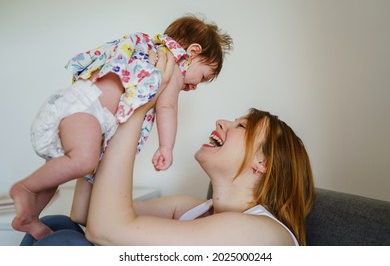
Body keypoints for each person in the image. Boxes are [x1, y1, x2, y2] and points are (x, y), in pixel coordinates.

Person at [20, 50, 315, 246]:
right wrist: (101, 125)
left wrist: (138, 108)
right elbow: (85, 215)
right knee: (56, 226)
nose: (222, 122)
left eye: (241, 126)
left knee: (64, 244)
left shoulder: (262, 234)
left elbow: (106, 230)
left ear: (262, 163)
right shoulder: (192, 209)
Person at [10, 14, 233, 240]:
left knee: (59, 170)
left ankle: (30, 216)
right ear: (192, 52)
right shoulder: (171, 64)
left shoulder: (148, 49)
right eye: (203, 76)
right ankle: (25, 188)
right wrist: (166, 146)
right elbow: (168, 108)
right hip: (90, 109)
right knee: (83, 161)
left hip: (82, 107)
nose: (195, 86)